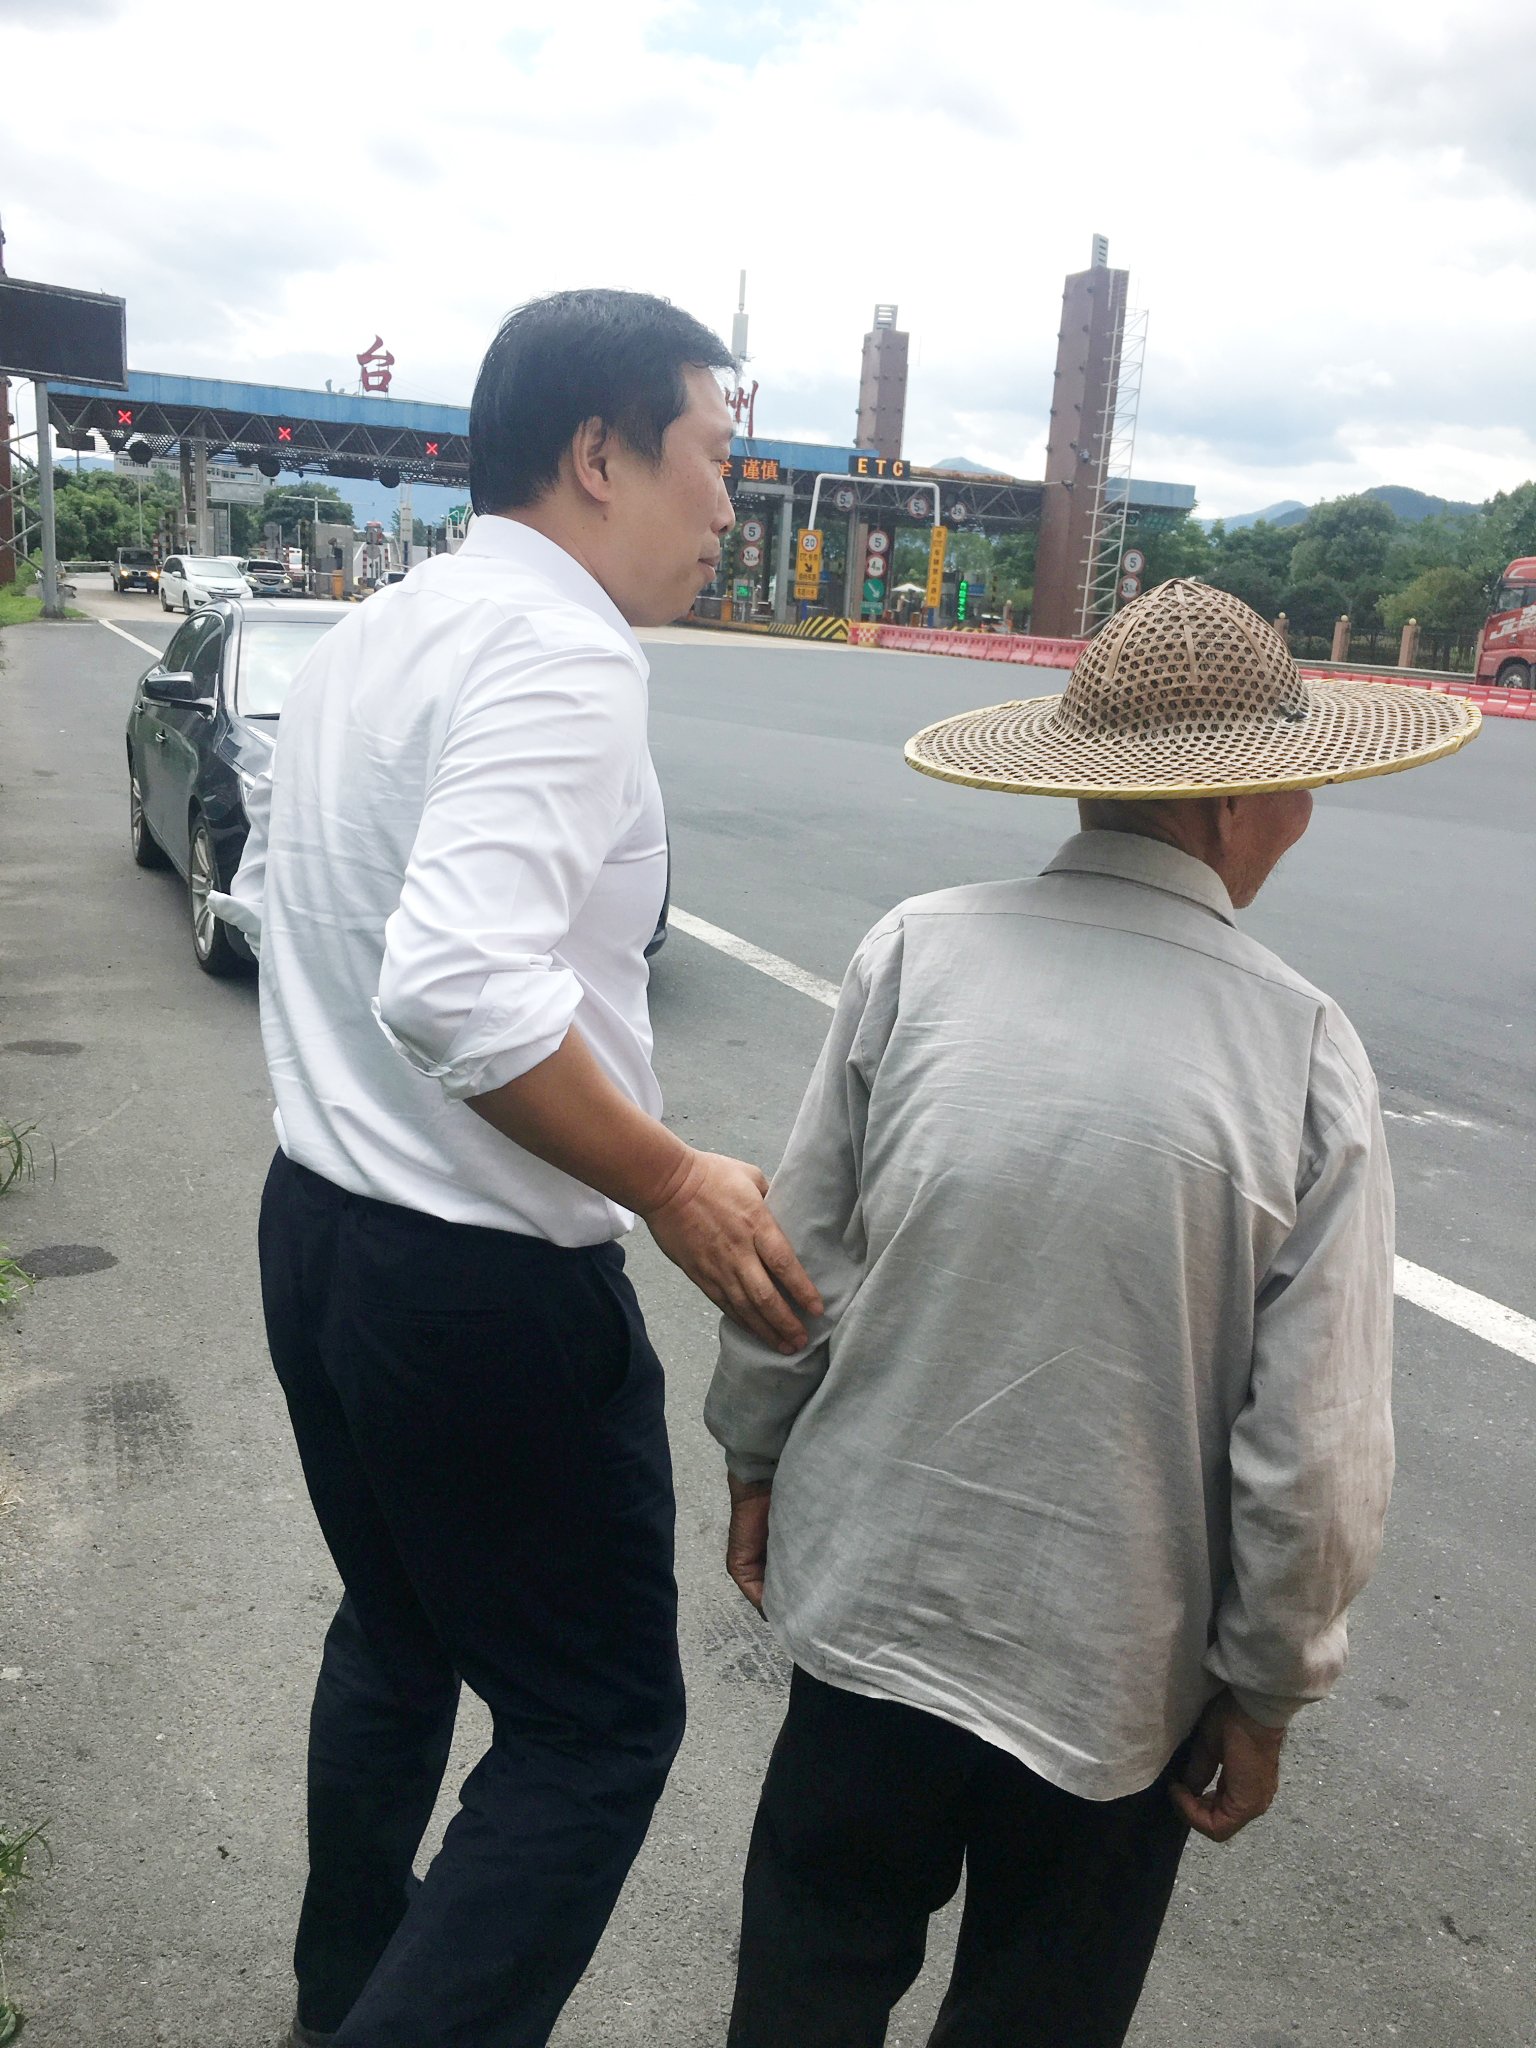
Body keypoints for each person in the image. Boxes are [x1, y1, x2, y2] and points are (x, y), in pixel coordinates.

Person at [704, 578, 1481, 2048]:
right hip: (1114, 1676)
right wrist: (1266, 1692)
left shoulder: (916, 952)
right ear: (1236, 803)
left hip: (872, 1603)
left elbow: (792, 1270)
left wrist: (757, 1460)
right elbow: (1313, 1452)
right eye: (1297, 777)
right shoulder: (1303, 1052)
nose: (1306, 809)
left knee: (808, 1981)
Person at [212, 289, 821, 2048]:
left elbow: (295, 905)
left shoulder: (379, 633)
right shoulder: (562, 653)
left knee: (400, 1640)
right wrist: (671, 1179)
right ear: (599, 454)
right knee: (593, 1728)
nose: (730, 507)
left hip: (321, 1234)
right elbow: (455, 985)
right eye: (713, 456)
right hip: (479, 1286)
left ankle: (340, 1997)